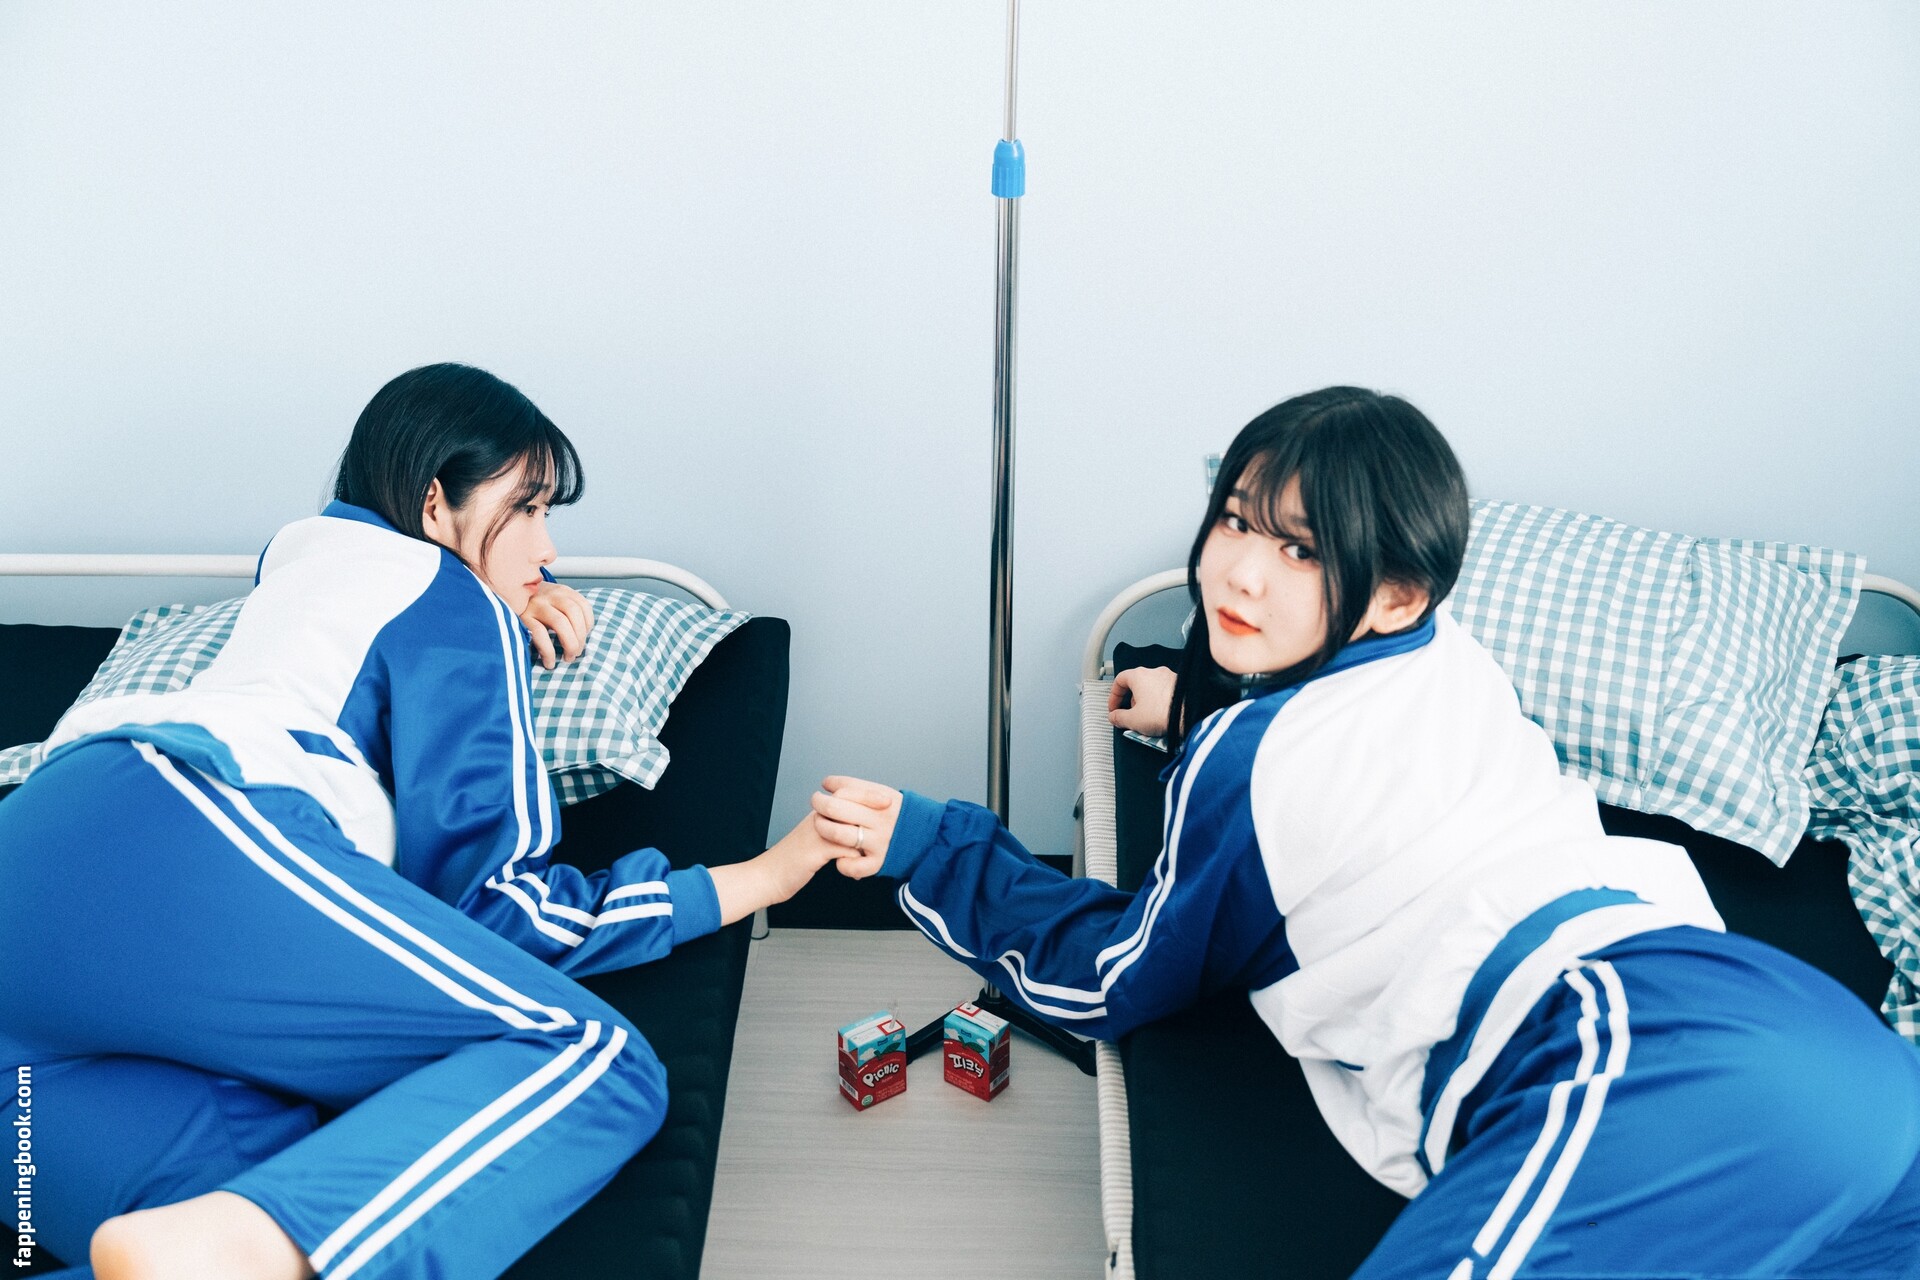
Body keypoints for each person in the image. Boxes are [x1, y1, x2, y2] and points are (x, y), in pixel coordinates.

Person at [810, 386, 1920, 1277]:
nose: (1240, 570)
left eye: (1300, 550)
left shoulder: (1252, 765)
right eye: (1236, 518)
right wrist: (1191, 706)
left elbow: (1120, 974)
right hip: (1803, 1026)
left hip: (1616, 1050)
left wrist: (933, 846)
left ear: (1396, 593)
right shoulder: (1451, 654)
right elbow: (1352, 751)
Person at [0, 364, 840, 1280]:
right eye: (526, 508)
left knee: (247, 1202)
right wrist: (761, 876)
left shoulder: (301, 554)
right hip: (192, 819)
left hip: (37, 853)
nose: (548, 547)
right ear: (436, 502)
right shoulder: (454, 599)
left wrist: (506, 603)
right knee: (590, 1057)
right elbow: (497, 907)